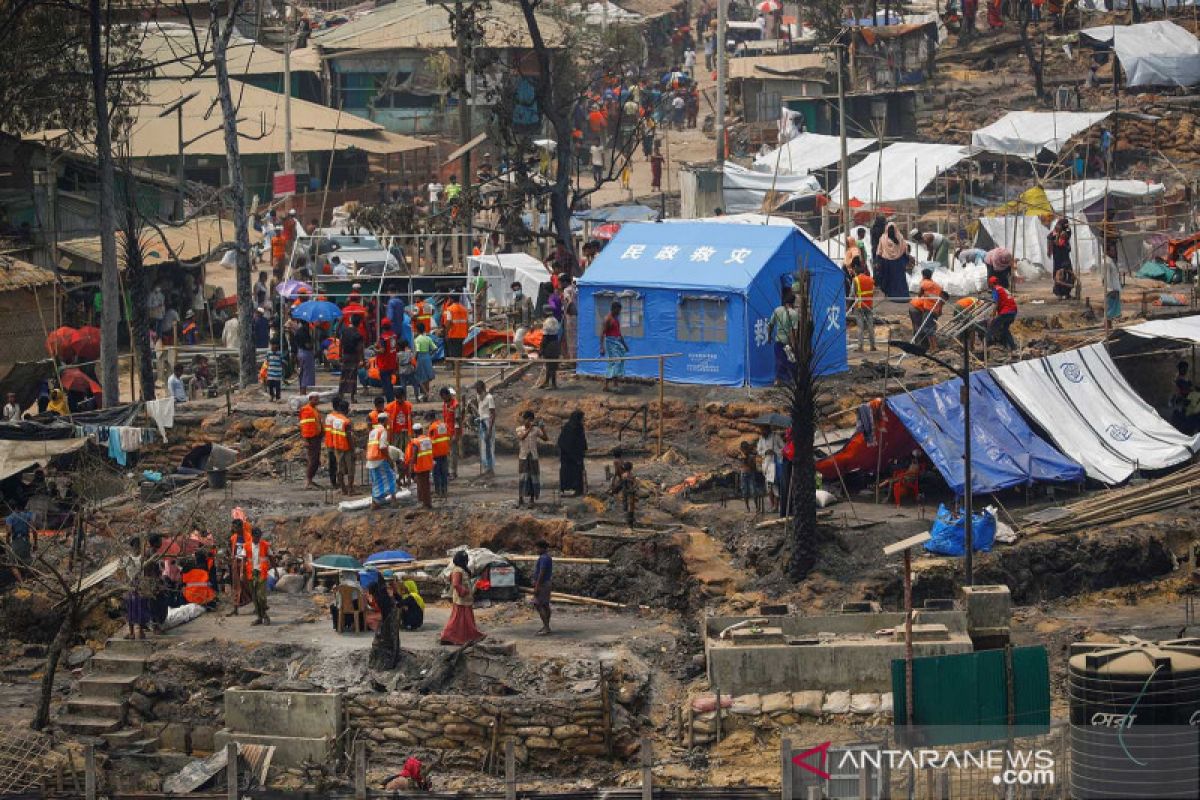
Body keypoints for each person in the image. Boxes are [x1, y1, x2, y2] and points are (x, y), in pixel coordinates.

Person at [439, 550, 485, 645]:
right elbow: (456, 584)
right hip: (461, 599)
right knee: (457, 620)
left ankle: (465, 636)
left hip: (466, 599)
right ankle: (448, 636)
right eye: (465, 559)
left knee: (465, 621)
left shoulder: (462, 569)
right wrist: (464, 591)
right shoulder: (457, 570)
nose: (467, 561)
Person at [122, 537, 153, 640]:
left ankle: (134, 632)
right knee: (137, 608)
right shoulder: (141, 558)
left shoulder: (130, 558)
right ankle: (137, 632)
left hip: (133, 585)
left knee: (133, 607)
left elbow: (124, 573)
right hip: (138, 585)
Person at [516, 410, 548, 507]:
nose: (528, 422)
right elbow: (522, 437)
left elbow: (545, 438)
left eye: (530, 420)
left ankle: (532, 498)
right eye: (526, 420)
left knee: (533, 477)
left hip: (533, 456)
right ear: (524, 420)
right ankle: (521, 497)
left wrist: (543, 428)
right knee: (522, 477)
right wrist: (529, 429)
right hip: (523, 456)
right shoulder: (519, 429)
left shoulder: (536, 430)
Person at [367, 413, 397, 508]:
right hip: (379, 458)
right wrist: (389, 458)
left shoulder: (373, 431)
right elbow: (383, 447)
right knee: (391, 477)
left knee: (376, 480)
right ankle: (393, 500)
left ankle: (375, 502)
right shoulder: (382, 431)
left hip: (371, 458)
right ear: (385, 421)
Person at [325, 397, 355, 496]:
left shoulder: (335, 420)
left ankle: (343, 489)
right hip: (346, 448)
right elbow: (349, 437)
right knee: (351, 469)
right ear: (346, 409)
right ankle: (350, 490)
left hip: (337, 448)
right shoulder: (347, 422)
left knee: (340, 469)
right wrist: (353, 449)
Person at [768, 291, 798, 385]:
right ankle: (792, 380)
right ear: (792, 302)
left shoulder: (777, 310)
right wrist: (793, 344)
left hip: (778, 341)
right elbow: (793, 331)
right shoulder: (794, 314)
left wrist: (769, 336)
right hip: (788, 343)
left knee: (779, 360)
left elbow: (770, 325)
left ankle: (778, 380)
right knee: (792, 360)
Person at [909, 269, 943, 350]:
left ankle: (927, 346)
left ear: (923, 276)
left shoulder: (925, 283)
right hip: (929, 309)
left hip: (924, 309)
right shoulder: (937, 286)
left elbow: (920, 292)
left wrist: (921, 292)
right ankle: (928, 346)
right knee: (928, 327)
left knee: (924, 328)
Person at [245, 527, 273, 626]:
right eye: (256, 537)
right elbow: (244, 559)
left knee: (261, 596)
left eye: (259, 536)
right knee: (254, 596)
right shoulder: (247, 545)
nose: (258, 538)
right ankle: (259, 617)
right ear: (252, 536)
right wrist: (241, 573)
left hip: (262, 572)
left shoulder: (265, 544)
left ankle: (265, 615)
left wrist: (275, 570)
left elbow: (271, 556)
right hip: (251, 573)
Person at [557, 410, 587, 496]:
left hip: (576, 455)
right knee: (569, 473)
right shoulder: (570, 428)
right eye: (582, 418)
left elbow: (581, 440)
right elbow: (566, 443)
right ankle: (568, 489)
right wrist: (574, 456)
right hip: (568, 456)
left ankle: (576, 489)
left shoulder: (578, 427)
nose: (583, 420)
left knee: (577, 473)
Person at [405, 421, 435, 509]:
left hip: (420, 466)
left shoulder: (416, 442)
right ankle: (426, 502)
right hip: (428, 465)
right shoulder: (428, 439)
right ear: (421, 430)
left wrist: (411, 468)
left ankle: (426, 504)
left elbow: (414, 455)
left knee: (422, 485)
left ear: (414, 432)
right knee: (426, 484)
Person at [600, 301, 629, 392]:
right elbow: (602, 333)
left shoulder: (616, 319)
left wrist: (624, 345)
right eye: (618, 310)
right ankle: (606, 384)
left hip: (617, 342)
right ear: (614, 309)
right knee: (614, 362)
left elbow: (619, 334)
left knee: (619, 361)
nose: (619, 312)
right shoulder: (607, 319)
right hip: (610, 343)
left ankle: (615, 383)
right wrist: (602, 347)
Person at [299, 393, 324, 489]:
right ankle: (308, 481)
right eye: (316, 399)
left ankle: (310, 480)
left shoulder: (314, 409)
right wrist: (305, 440)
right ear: (310, 399)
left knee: (316, 460)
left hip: (316, 437)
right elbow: (305, 425)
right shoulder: (307, 410)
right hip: (311, 438)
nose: (317, 401)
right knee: (313, 460)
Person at [987, 276, 1018, 353]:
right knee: (1004, 330)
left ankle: (988, 345)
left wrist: (992, 317)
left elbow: (996, 304)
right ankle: (1011, 347)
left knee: (992, 326)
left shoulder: (995, 290)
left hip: (1006, 312)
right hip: (1013, 311)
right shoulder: (1003, 289)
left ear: (991, 284)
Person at [756, 424, 783, 512]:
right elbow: (759, 451)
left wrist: (775, 452)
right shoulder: (761, 439)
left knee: (775, 487)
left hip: (775, 465)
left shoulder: (776, 437)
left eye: (763, 429)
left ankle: (776, 506)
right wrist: (765, 452)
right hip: (766, 466)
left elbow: (784, 448)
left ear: (768, 429)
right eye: (761, 430)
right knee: (769, 488)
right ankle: (772, 506)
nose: (762, 432)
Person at [851, 265, 877, 353]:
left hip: (859, 306)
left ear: (856, 272)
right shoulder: (870, 279)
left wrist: (848, 305)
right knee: (870, 326)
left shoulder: (855, 279)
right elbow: (874, 292)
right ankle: (872, 346)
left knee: (860, 327)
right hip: (869, 306)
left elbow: (851, 294)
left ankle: (860, 347)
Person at [339, 315, 365, 403]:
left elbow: (340, 344)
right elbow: (360, 348)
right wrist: (362, 359)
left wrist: (340, 355)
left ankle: (341, 394)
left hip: (345, 355)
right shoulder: (358, 334)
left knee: (344, 375)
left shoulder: (344, 331)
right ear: (359, 324)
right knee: (353, 377)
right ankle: (352, 398)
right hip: (354, 356)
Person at [532, 540, 553, 635]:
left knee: (538, 604)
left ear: (541, 548)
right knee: (545, 605)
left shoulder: (544, 558)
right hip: (546, 583)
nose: (536, 550)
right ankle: (546, 626)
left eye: (537, 548)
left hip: (543, 584)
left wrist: (537, 586)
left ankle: (546, 627)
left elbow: (542, 572)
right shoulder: (547, 557)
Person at [427, 411, 451, 499]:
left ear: (430, 418)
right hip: (444, 452)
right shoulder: (443, 425)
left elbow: (430, 442)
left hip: (436, 453)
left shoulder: (432, 428)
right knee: (444, 472)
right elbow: (448, 436)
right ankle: (445, 490)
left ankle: (438, 491)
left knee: (436, 473)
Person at [5, 505, 35, 573]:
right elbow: (34, 531)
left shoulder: (10, 517)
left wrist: (7, 543)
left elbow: (9, 532)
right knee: (26, 559)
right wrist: (36, 544)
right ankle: (28, 574)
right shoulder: (27, 516)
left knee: (12, 564)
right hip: (26, 541)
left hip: (17, 541)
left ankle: (21, 582)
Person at [475, 380, 496, 477]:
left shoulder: (489, 398)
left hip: (488, 422)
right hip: (481, 422)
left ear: (483, 389)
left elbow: (492, 414)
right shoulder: (479, 397)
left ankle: (490, 468)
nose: (477, 392)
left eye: (478, 390)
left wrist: (489, 430)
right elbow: (480, 411)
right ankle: (485, 468)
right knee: (483, 447)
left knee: (489, 446)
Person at [375, 319, 399, 402]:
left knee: (386, 385)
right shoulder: (394, 335)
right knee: (390, 383)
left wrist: (374, 350)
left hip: (384, 364)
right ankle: (392, 400)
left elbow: (382, 350)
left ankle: (390, 401)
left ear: (382, 327)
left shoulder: (383, 338)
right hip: (392, 363)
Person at [737, 440, 763, 514]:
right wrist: (743, 458)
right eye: (743, 449)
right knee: (745, 492)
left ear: (748, 449)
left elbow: (753, 467)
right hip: (743, 474)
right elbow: (740, 462)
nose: (745, 451)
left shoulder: (751, 457)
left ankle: (757, 508)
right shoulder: (740, 456)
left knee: (753, 491)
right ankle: (747, 508)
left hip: (750, 474)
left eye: (746, 449)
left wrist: (747, 460)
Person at [413, 323, 436, 401]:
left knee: (419, 378)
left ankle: (426, 393)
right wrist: (430, 354)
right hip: (428, 357)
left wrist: (414, 360)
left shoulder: (417, 339)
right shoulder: (428, 338)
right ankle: (426, 395)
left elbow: (417, 351)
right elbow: (435, 348)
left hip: (420, 358)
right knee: (427, 377)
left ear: (417, 330)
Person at [610, 460, 637, 525]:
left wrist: (614, 490)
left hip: (625, 491)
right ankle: (630, 518)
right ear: (631, 468)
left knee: (625, 503)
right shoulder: (632, 475)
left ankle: (628, 518)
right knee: (631, 504)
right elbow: (635, 484)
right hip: (631, 492)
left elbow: (620, 484)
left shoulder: (624, 476)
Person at [539, 311, 561, 389]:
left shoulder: (546, 322)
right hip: (556, 344)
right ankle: (548, 382)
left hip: (549, 345)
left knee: (549, 365)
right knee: (553, 365)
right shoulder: (555, 320)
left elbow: (545, 338)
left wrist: (541, 349)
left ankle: (553, 384)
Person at [293, 319, 315, 393]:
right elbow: (308, 345)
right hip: (306, 353)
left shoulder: (298, 331)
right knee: (306, 373)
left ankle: (301, 390)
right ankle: (303, 391)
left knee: (302, 372)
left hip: (300, 352)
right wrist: (312, 344)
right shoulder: (304, 332)